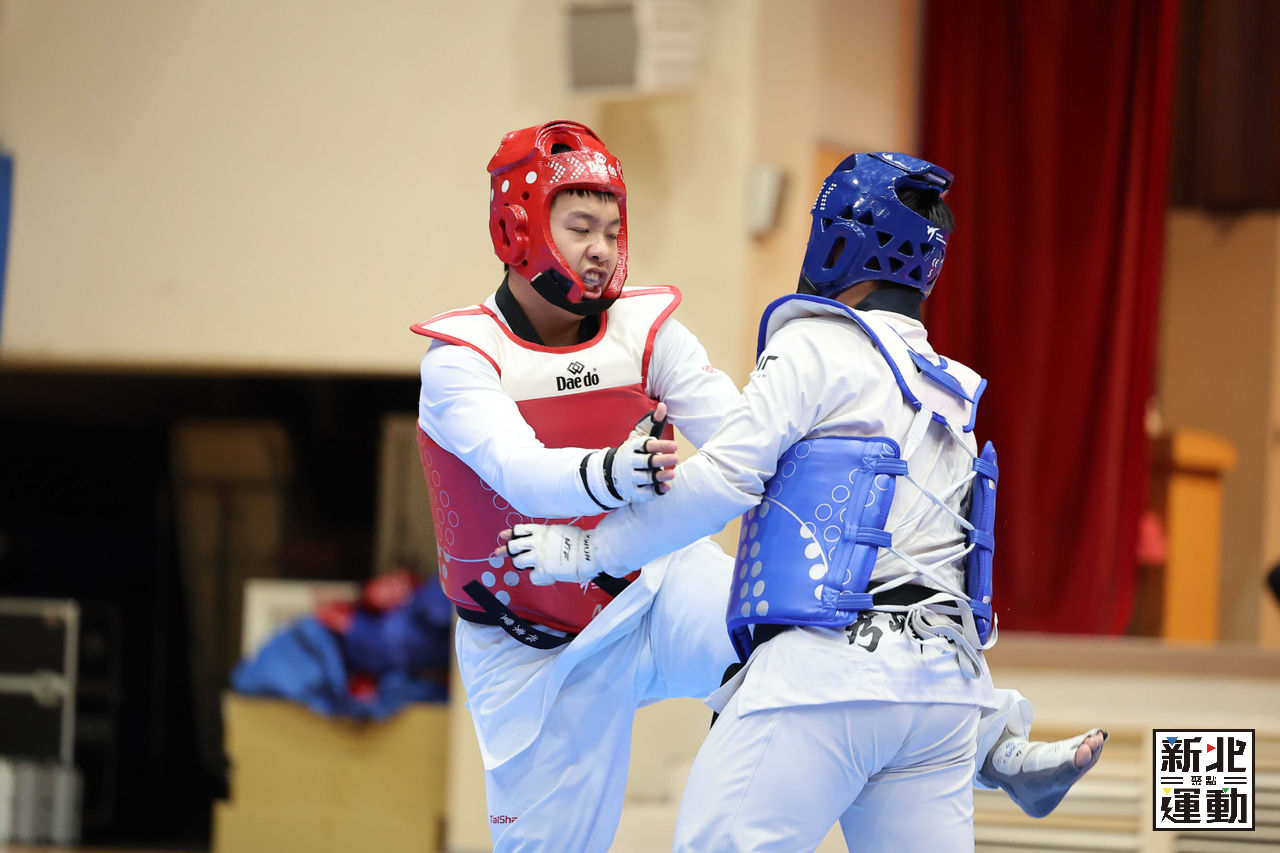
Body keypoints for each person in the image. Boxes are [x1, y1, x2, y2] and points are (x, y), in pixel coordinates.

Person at [416, 123, 1101, 852]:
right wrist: (614, 473)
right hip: (533, 649)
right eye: (581, 227)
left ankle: (988, 737)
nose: (602, 249)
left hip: (653, 589)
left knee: (790, 613)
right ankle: (971, 733)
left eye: (613, 231)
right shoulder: (460, 359)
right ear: (517, 227)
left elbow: (746, 444)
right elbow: (518, 470)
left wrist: (855, 416)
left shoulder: (647, 329)